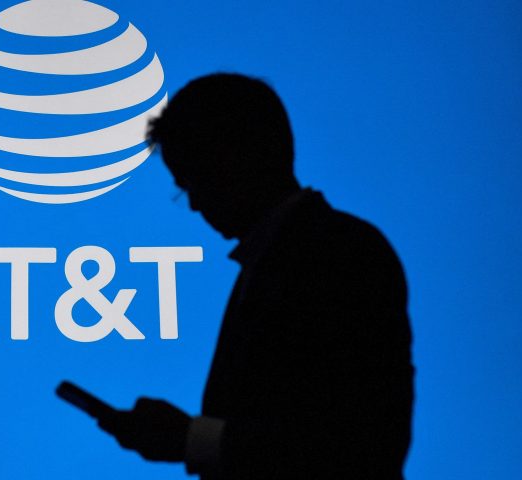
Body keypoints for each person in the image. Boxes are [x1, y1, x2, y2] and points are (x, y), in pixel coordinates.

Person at [96, 73, 415, 479]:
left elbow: (359, 443)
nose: (194, 204)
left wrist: (192, 438)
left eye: (193, 180)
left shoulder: (339, 254)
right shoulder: (298, 256)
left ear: (237, 159)